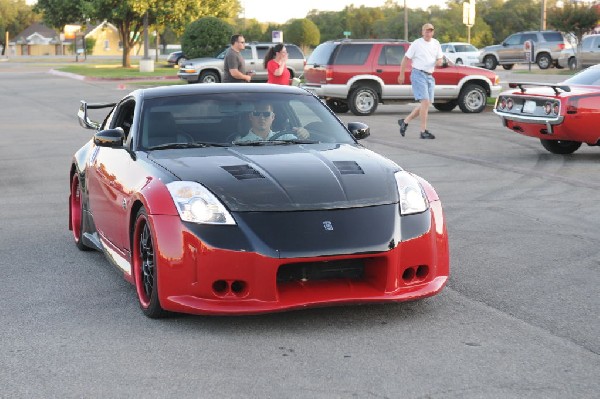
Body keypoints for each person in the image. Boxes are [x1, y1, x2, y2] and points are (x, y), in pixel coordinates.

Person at [397, 23, 444, 139]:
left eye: (431, 31)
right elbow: (405, 59)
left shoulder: (436, 43)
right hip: (418, 74)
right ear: (422, 32)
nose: (428, 33)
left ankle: (405, 121)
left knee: (427, 104)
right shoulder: (417, 43)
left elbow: (440, 58)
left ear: (433, 32)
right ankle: (423, 131)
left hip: (429, 76)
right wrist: (401, 74)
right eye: (426, 31)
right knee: (425, 102)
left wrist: (439, 62)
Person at [235, 102, 309, 142]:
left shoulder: (285, 138)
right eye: (257, 114)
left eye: (266, 114)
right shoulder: (241, 142)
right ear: (251, 117)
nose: (262, 118)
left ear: (273, 117)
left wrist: (304, 134)